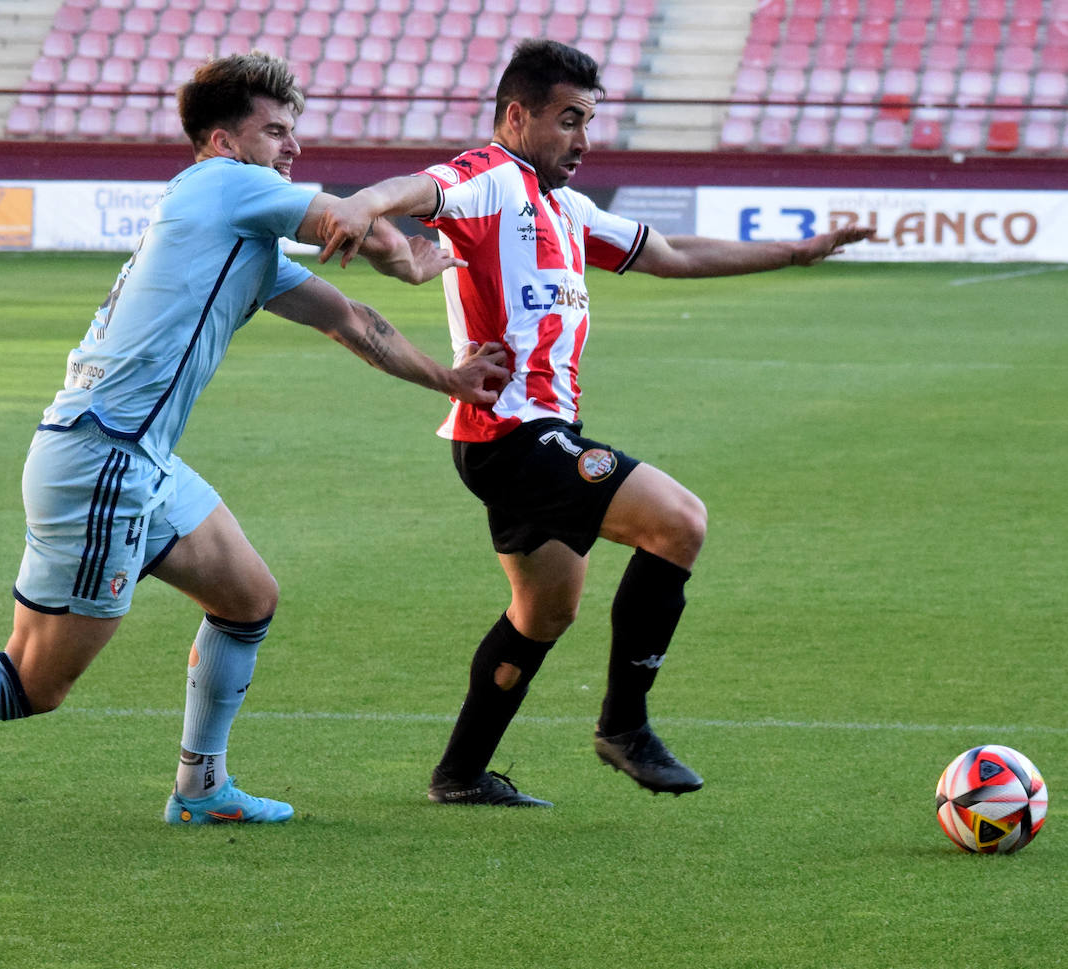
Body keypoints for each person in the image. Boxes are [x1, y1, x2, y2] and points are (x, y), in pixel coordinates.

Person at [0, 51, 509, 825]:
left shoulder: (241, 239)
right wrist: (410, 259)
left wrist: (448, 381)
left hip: (128, 455)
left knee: (248, 596)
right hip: (103, 460)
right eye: (276, 130)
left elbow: (351, 322)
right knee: (34, 680)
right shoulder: (223, 185)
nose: (292, 148)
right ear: (222, 140)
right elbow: (348, 223)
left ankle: (201, 788)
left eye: (296, 132)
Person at [319, 39, 875, 807]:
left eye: (590, 121)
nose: (583, 140)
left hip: (532, 437)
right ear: (517, 117)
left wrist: (796, 251)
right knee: (679, 521)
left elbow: (674, 255)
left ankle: (459, 774)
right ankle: (625, 725)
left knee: (546, 609)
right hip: (513, 435)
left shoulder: (568, 208)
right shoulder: (493, 179)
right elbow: (421, 188)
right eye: (569, 120)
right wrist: (362, 204)